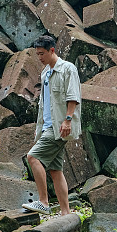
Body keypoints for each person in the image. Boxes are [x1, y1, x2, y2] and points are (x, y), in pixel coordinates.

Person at [22, 34, 81, 216]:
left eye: (42, 54)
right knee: (55, 170)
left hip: (60, 127)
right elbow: (44, 104)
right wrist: (38, 130)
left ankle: (43, 202)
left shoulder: (67, 69)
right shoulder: (45, 72)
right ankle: (66, 213)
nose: (39, 58)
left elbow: (73, 96)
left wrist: (68, 120)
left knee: (32, 158)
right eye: (37, 54)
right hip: (47, 126)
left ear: (52, 50)